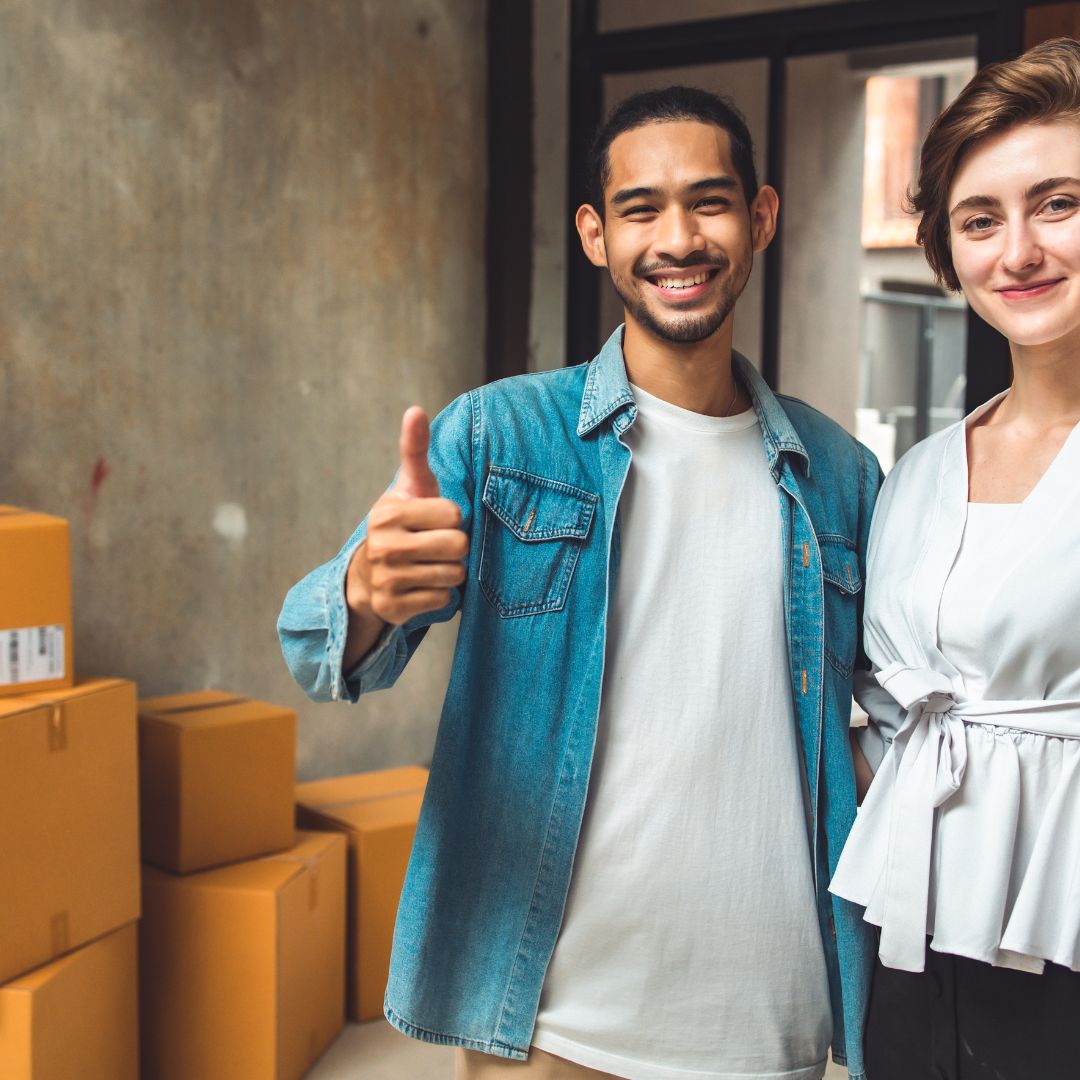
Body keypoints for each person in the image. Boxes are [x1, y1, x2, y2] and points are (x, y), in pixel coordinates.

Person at [280, 86, 880, 1080]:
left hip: (771, 1013)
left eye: (710, 202)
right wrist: (363, 596)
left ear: (762, 217)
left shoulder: (842, 475)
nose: (677, 238)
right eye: (641, 209)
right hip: (555, 1021)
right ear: (596, 235)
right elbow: (314, 650)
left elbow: (882, 729)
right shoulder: (498, 437)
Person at [830, 37, 1080, 1080]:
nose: (1017, 251)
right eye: (981, 220)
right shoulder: (921, 471)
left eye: (1059, 203)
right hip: (917, 942)